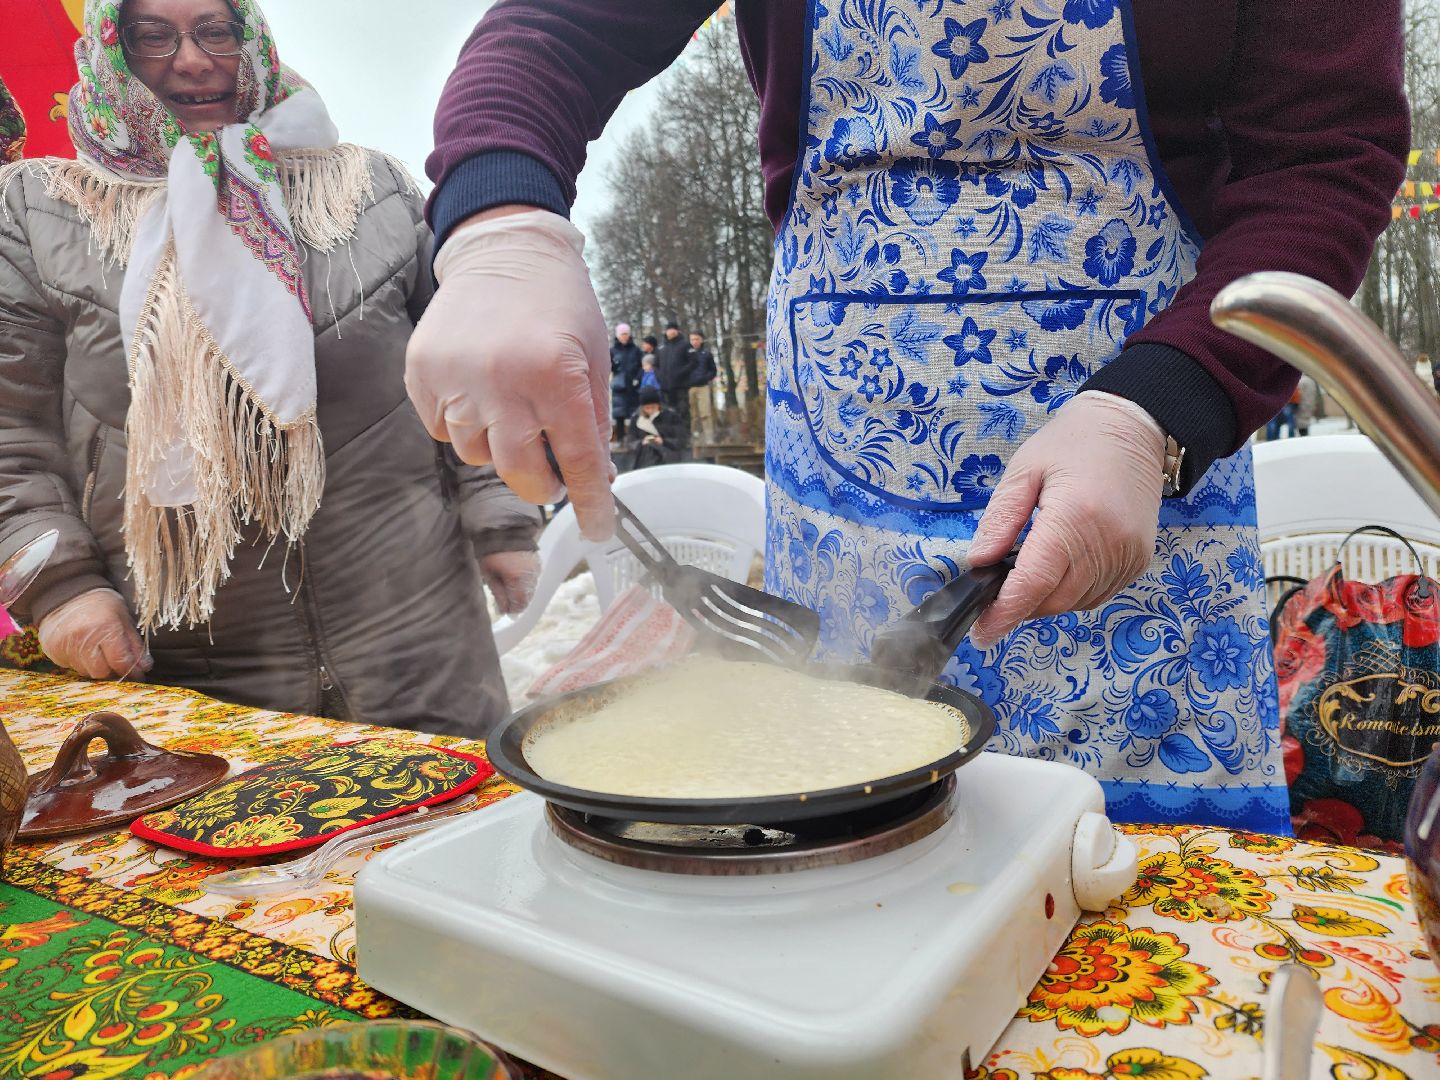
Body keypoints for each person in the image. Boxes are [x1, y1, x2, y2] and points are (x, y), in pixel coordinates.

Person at [404, 2, 1407, 830]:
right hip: (839, 462)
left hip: (1151, 468)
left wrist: (1162, 409)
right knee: (840, 863)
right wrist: (502, 222)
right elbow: (557, 31)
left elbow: (1321, 157)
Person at [0, 0, 541, 738]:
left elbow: (460, 368)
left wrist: (502, 519)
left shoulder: (368, 189)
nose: (191, 60)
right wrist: (60, 588)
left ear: (251, 38)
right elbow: (10, 432)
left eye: (216, 31)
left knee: (447, 837)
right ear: (108, 48)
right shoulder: (40, 212)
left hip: (418, 637)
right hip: (194, 664)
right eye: (151, 35)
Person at [625, 386, 687, 471]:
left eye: (653, 407)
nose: (650, 410)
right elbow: (630, 441)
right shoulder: (636, 419)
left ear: (658, 405)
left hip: (667, 457)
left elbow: (681, 439)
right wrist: (641, 443)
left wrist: (664, 441)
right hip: (644, 457)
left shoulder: (671, 416)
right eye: (647, 408)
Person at [609, 322, 643, 445]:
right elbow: (607, 367)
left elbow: (642, 366)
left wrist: (638, 378)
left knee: (635, 414)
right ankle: (620, 439)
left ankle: (636, 438)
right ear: (618, 335)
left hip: (633, 386)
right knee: (620, 415)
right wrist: (614, 366)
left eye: (626, 334)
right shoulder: (612, 351)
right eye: (622, 334)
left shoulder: (636, 350)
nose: (624, 337)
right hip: (620, 387)